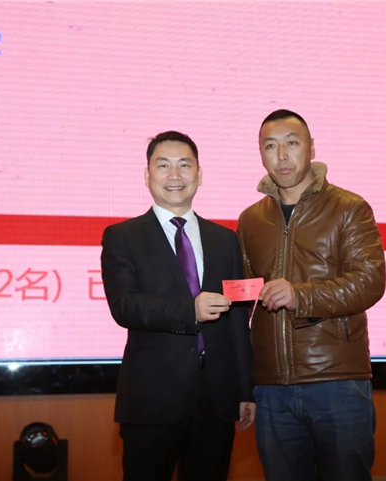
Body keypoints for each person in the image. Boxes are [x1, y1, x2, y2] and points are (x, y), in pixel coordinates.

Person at [236, 110, 386, 481]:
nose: (282, 155)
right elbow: (243, 303)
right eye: (270, 146)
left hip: (337, 380)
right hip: (271, 388)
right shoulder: (250, 220)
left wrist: (300, 295)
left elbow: (370, 280)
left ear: (312, 148)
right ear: (260, 153)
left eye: (292, 143)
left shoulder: (348, 207)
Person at [101, 131, 255, 481]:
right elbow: (124, 305)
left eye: (185, 165)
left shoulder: (224, 239)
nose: (175, 175)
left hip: (216, 401)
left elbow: (237, 321)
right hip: (151, 400)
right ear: (147, 175)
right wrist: (190, 310)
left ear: (199, 174)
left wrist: (245, 389)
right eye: (163, 166)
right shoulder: (122, 236)